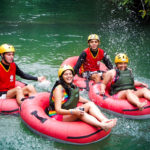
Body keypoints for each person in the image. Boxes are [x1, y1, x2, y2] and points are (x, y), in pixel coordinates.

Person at [48, 65, 117, 131]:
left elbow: (76, 97)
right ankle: (102, 125)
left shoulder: (71, 85)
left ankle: (104, 120)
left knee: (90, 104)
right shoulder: (59, 89)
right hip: (57, 116)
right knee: (81, 113)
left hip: (67, 111)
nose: (69, 76)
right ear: (61, 76)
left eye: (70, 74)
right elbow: (58, 110)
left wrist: (88, 102)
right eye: (66, 74)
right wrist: (73, 111)